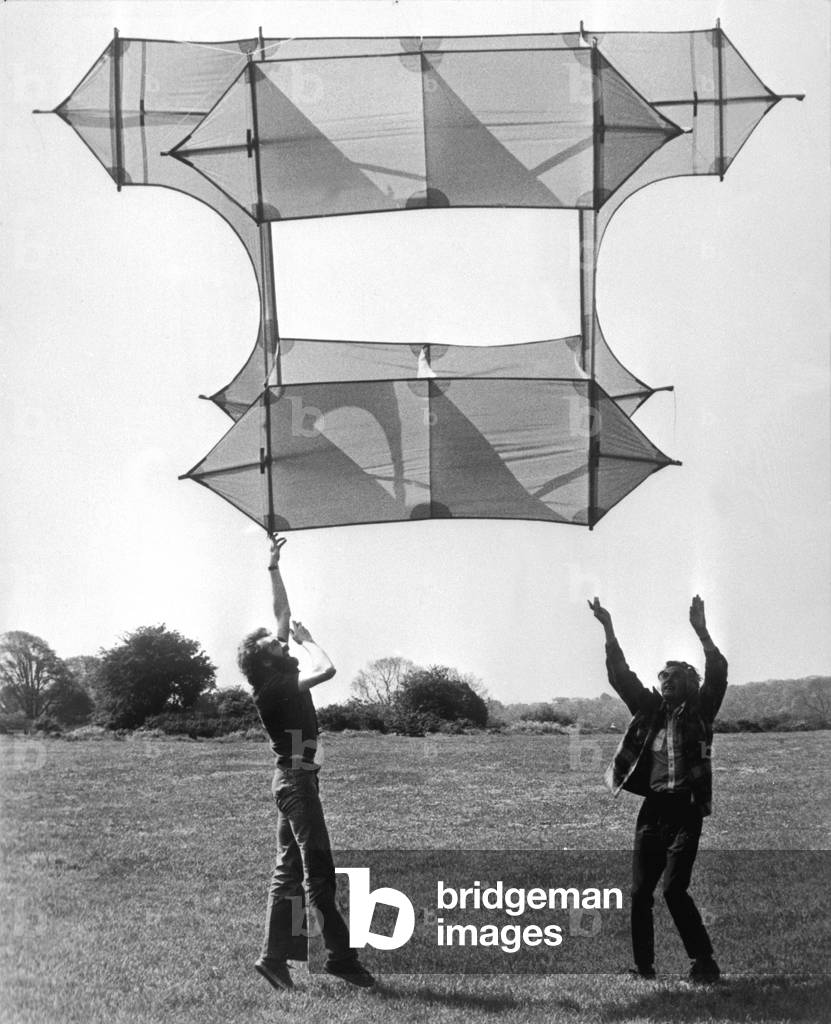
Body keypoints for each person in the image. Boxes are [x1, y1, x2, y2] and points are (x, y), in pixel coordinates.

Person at [237, 535, 375, 993]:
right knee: (318, 869)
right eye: (273, 643)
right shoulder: (276, 687)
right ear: (264, 657)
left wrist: (272, 568)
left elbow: (282, 615)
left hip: (293, 780)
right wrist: (312, 642)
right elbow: (329, 669)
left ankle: (273, 959)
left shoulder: (274, 669)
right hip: (296, 782)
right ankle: (339, 957)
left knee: (288, 869)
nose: (281, 639)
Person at [587, 594, 727, 984]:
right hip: (653, 810)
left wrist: (702, 633)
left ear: (689, 686)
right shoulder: (648, 711)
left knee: (674, 890)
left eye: (675, 678)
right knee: (638, 893)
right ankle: (644, 968)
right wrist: (609, 629)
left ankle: (704, 962)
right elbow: (621, 676)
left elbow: (718, 674)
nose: (666, 682)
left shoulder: (701, 711)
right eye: (663, 677)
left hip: (686, 810)